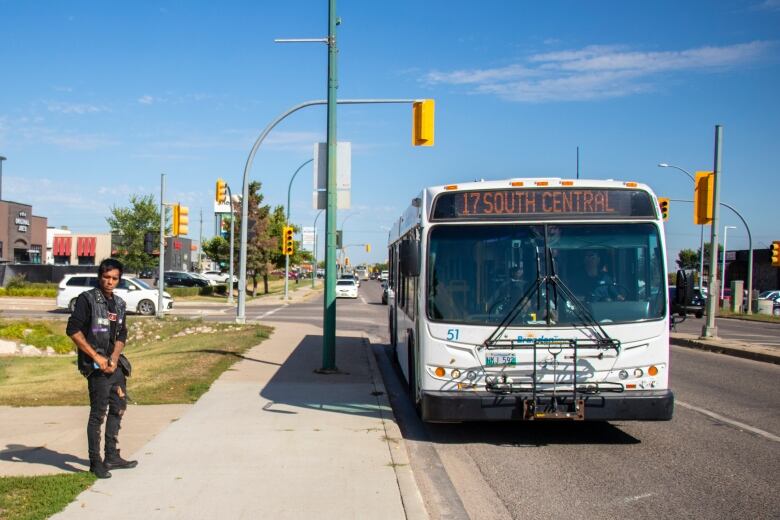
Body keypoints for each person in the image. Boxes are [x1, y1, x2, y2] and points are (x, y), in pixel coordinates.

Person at [67, 258, 137, 479]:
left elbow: (122, 333)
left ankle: (112, 456)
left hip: (114, 365)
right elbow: (73, 330)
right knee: (98, 414)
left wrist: (114, 358)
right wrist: (97, 356)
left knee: (118, 407)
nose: (110, 282)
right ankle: (95, 461)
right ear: (100, 277)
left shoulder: (119, 304)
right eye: (106, 277)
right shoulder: (86, 300)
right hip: (95, 367)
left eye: (114, 278)